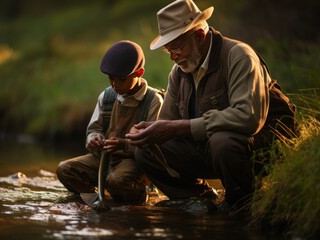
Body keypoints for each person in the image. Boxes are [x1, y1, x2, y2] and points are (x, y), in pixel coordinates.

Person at [126, 0, 297, 210]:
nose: (173, 57)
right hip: (212, 150)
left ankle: (241, 202)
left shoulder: (239, 55)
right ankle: (198, 200)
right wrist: (148, 131)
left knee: (222, 140)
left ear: (199, 36)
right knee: (146, 150)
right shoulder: (178, 73)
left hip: (262, 148)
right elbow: (166, 124)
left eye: (177, 47)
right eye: (168, 50)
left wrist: (182, 127)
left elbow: (249, 117)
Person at [56, 40, 163, 205]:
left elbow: (154, 147)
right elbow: (94, 129)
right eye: (111, 79)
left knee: (117, 181)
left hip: (134, 162)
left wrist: (123, 145)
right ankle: (95, 200)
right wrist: (93, 139)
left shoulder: (153, 101)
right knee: (64, 169)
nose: (114, 84)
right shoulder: (107, 96)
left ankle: (137, 196)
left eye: (120, 79)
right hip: (104, 159)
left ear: (139, 73)